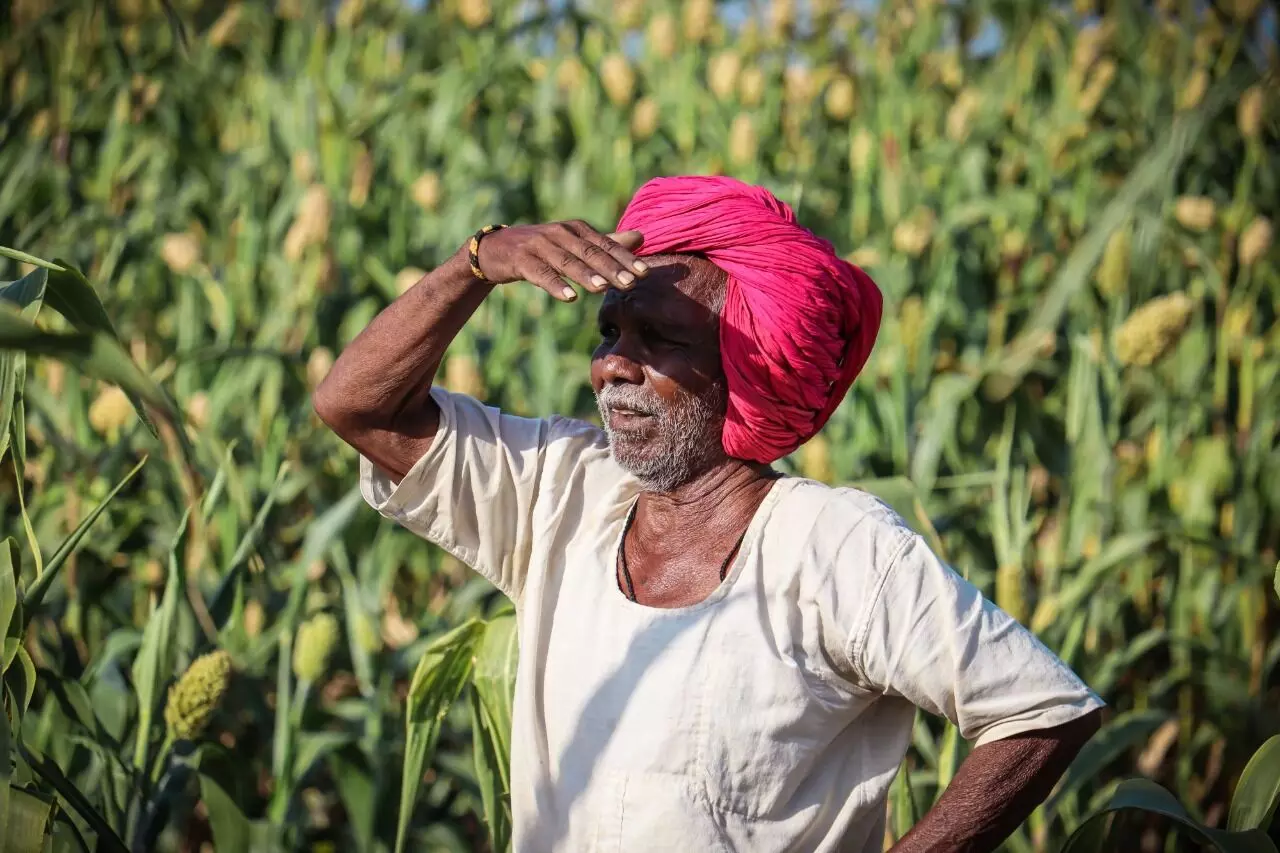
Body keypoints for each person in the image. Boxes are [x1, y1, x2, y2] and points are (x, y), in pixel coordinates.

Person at [314, 175, 1104, 853]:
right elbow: (360, 407)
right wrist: (477, 263)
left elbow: (1041, 711)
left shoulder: (833, 548)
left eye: (658, 337)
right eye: (609, 329)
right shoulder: (561, 492)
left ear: (745, 368)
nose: (612, 364)